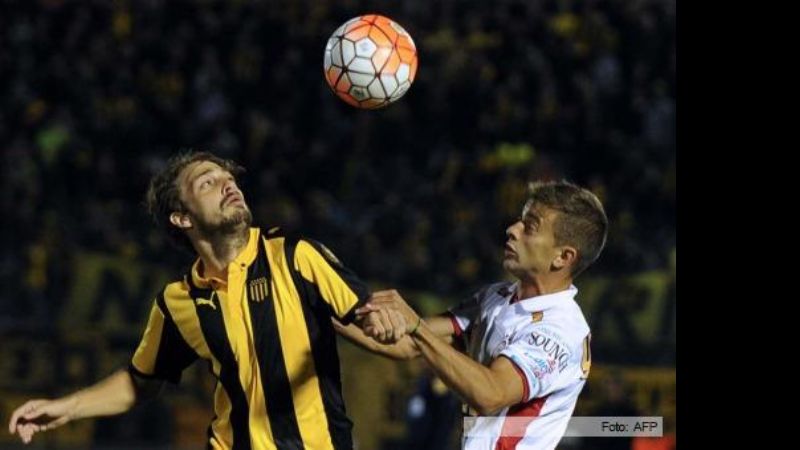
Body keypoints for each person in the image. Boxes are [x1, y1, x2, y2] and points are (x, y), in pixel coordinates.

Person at [8, 151, 407, 449]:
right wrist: (66, 408)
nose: (228, 184)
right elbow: (139, 382)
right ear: (182, 218)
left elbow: (377, 323)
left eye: (228, 177)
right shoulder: (178, 301)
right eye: (208, 183)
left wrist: (402, 326)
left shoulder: (295, 256)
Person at [338, 180, 608, 450]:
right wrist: (319, 309)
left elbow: (490, 393)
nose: (512, 230)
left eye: (530, 227)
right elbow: (406, 343)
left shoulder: (561, 331)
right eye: (519, 221)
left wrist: (416, 327)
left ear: (563, 257)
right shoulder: (495, 296)